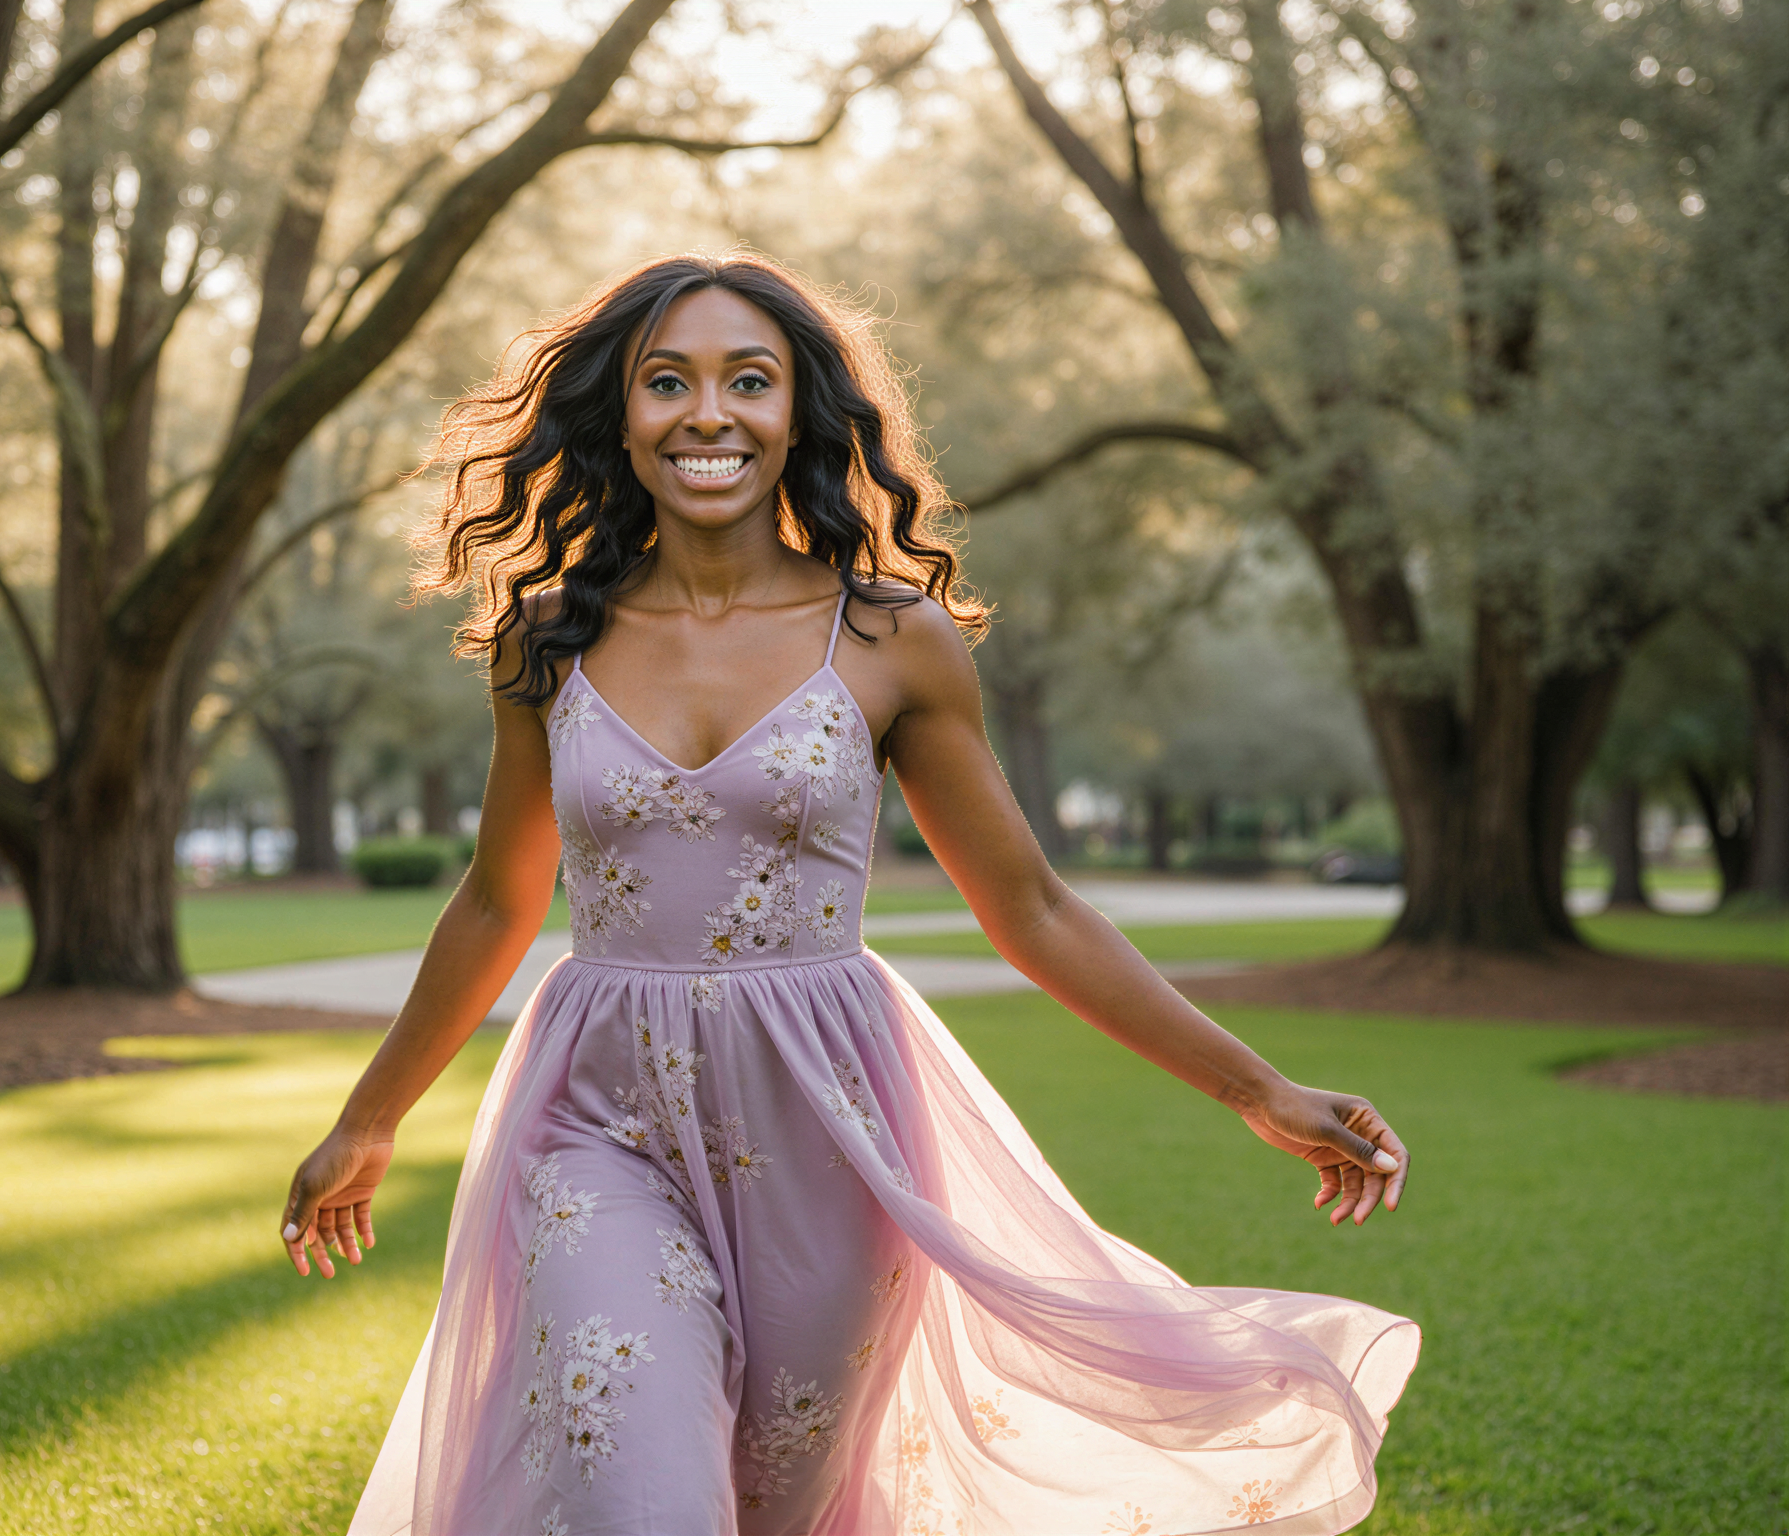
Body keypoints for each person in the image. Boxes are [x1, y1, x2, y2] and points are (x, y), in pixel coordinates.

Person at [283, 252, 1419, 1536]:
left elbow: (1031, 911)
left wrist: (1256, 1088)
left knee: (780, 1507)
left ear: (797, 415)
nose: (706, 413)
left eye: (746, 381)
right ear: (620, 413)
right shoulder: (544, 642)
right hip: (592, 1117)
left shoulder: (889, 638)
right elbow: (496, 902)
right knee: (632, 1486)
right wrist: (369, 1119)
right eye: (667, 381)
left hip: (827, 1124)